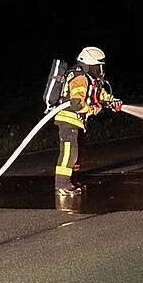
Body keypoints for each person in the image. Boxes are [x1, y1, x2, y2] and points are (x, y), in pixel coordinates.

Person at [53, 46, 121, 195]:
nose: (101, 71)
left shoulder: (89, 79)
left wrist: (112, 101)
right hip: (68, 119)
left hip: (77, 121)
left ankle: (72, 181)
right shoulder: (79, 78)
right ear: (90, 65)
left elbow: (98, 94)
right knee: (70, 153)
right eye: (98, 67)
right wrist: (92, 110)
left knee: (77, 154)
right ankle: (62, 184)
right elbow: (76, 103)